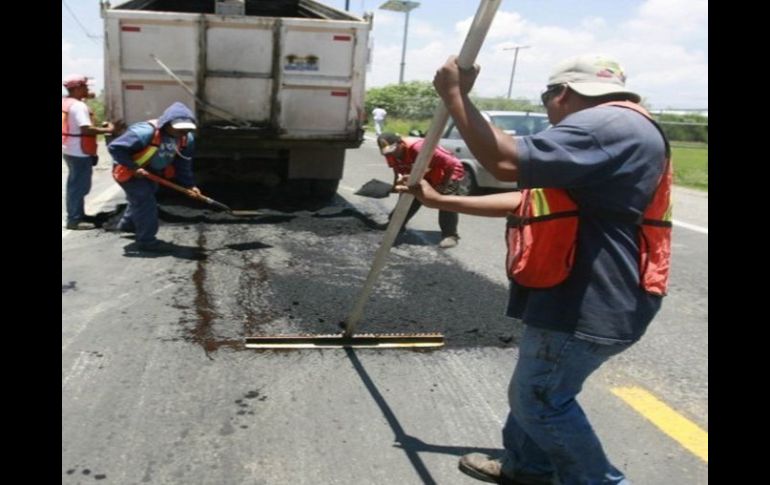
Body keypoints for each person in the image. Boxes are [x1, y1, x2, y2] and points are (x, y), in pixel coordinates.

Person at [398, 54, 672, 485]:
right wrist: (441, 202)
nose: (548, 112)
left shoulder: (605, 126)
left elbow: (504, 163)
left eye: (546, 100)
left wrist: (454, 93)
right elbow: (532, 201)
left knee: (540, 399)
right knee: (536, 387)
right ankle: (527, 467)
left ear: (560, 94)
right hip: (578, 291)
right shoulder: (617, 131)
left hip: (591, 298)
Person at [107, 102, 200, 252]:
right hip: (128, 170)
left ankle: (127, 225)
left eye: (187, 129)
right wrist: (134, 167)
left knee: (143, 197)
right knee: (145, 200)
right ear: (167, 123)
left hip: (152, 171)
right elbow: (115, 147)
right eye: (179, 128)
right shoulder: (145, 132)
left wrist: (190, 185)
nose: (183, 131)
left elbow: (183, 164)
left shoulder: (186, 139)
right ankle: (147, 241)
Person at [377, 132, 468, 249]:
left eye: (394, 150)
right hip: (423, 175)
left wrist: (444, 185)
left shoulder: (418, 148)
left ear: (401, 143)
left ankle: (450, 235)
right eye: (388, 152)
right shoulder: (390, 154)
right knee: (407, 197)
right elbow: (397, 169)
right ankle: (397, 225)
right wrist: (396, 185)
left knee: (446, 202)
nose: (392, 154)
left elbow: (451, 164)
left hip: (448, 173)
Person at [62, 74, 117, 230]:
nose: (88, 89)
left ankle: (79, 214)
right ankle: (74, 219)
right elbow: (86, 128)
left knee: (75, 184)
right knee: (79, 186)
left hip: (70, 148)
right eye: (85, 87)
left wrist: (87, 96)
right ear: (77, 88)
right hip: (79, 149)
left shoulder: (67, 102)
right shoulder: (79, 106)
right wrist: (108, 130)